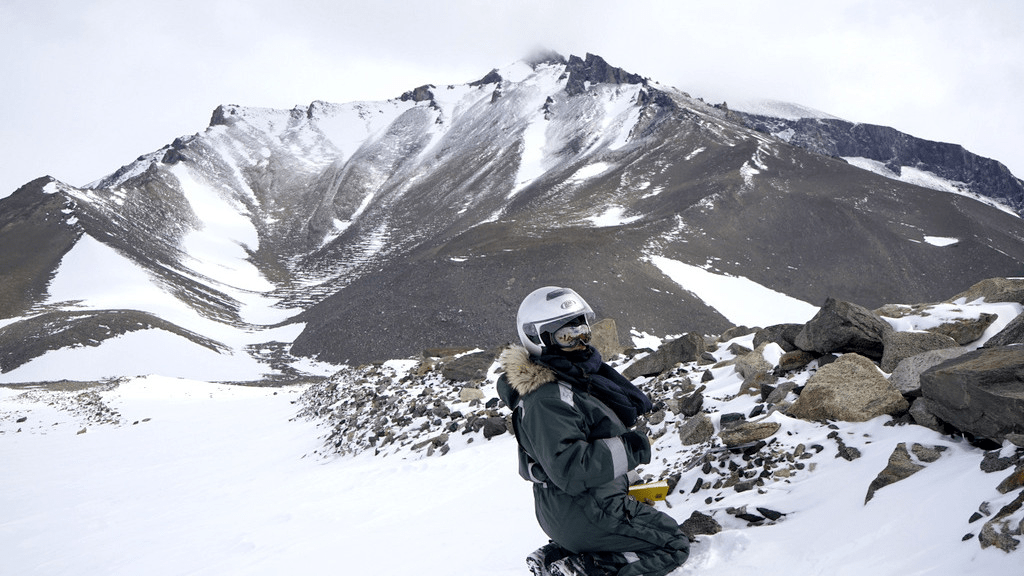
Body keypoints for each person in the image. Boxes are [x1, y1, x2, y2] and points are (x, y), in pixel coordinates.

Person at [496, 286, 690, 576]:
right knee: (673, 545)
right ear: (539, 340)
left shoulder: (574, 381)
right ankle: (585, 567)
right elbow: (570, 469)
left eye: (583, 332)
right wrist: (632, 447)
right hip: (589, 512)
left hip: (578, 509)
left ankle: (561, 553)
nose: (580, 343)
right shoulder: (548, 399)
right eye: (566, 337)